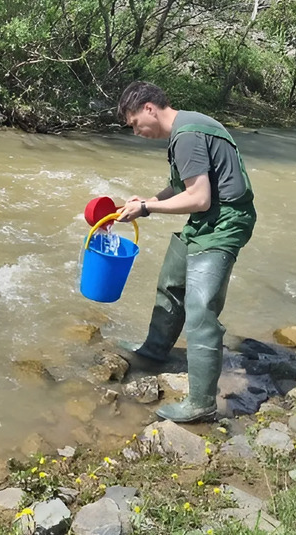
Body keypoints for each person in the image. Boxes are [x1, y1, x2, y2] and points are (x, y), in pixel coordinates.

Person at [115, 81, 256, 423]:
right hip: (206, 220)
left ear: (149, 108)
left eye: (135, 124)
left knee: (200, 309)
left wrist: (147, 208)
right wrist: (150, 198)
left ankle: (201, 403)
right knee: (171, 284)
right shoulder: (188, 127)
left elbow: (199, 198)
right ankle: (154, 352)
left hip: (223, 223)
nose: (136, 132)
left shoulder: (187, 135)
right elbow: (185, 185)